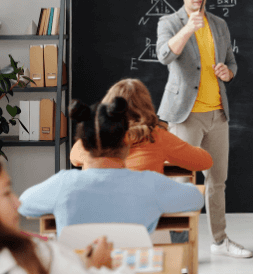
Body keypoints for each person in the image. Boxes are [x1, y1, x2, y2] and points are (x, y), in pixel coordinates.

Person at [156, 0, 251, 258]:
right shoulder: (169, 22)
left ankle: (220, 241)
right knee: (182, 182)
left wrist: (228, 73)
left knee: (217, 181)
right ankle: (180, 249)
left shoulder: (219, 24)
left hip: (217, 114)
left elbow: (232, 62)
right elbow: (163, 55)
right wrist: (187, 29)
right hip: (185, 115)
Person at [0, 160, 149, 274]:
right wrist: (102, 270)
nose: (17, 203)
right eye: (7, 193)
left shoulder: (64, 181)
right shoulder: (28, 262)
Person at [18, 97, 204, 236]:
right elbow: (196, 199)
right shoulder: (150, 184)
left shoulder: (63, 184)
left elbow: (23, 204)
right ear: (126, 140)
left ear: (82, 143)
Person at [69, 78, 213, 174]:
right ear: (146, 106)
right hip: (142, 215)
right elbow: (205, 162)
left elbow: (74, 158)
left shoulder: (95, 137)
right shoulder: (157, 137)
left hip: (98, 214)